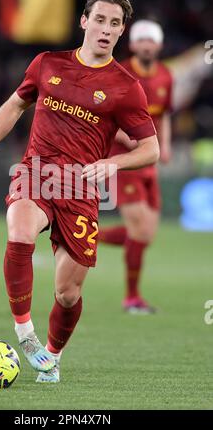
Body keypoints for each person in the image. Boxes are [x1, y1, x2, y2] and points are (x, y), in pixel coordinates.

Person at [0, 0, 159, 383]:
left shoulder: (125, 87)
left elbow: (150, 149)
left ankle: (52, 354)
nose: (105, 29)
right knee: (20, 231)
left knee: (67, 293)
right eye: (99, 19)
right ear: (84, 21)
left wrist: (113, 163)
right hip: (37, 174)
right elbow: (15, 105)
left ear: (121, 32)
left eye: (115, 24)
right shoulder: (47, 64)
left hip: (81, 190)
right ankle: (24, 334)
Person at [98, 19, 173, 314]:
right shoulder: (120, 74)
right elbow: (104, 117)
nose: (146, 45)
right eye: (141, 40)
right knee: (139, 229)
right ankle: (131, 298)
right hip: (124, 161)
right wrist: (125, 138)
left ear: (159, 45)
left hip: (148, 160)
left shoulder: (166, 76)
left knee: (146, 235)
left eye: (151, 41)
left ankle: (82, 234)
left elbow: (164, 115)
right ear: (132, 45)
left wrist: (163, 145)